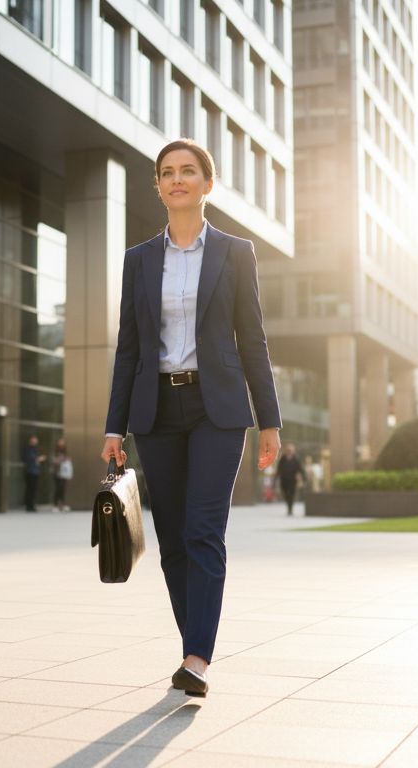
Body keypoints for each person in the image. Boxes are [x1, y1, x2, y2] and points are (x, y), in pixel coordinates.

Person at [101, 138, 282, 698]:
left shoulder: (235, 252)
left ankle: (197, 657)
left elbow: (252, 339)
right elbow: (129, 348)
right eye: (166, 173)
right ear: (158, 187)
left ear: (208, 183)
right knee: (172, 538)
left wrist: (270, 419)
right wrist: (114, 424)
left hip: (217, 408)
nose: (176, 179)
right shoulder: (138, 259)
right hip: (156, 408)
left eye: (187, 171)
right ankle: (193, 644)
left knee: (205, 530)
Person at [276, 442, 305, 516]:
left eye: (291, 450)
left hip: (292, 479)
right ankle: (288, 504)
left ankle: (290, 509)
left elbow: (300, 469)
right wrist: (276, 477)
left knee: (292, 494)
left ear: (293, 451)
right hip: (284, 479)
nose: (289, 451)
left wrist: (301, 476)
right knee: (285, 493)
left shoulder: (296, 459)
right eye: (288, 450)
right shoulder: (283, 458)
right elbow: (279, 468)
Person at [21, 434, 43, 512]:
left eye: (36, 440)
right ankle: (28, 505)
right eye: (34, 440)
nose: (35, 441)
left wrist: (39, 459)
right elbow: (28, 458)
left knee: (33, 489)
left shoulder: (36, 449)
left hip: (35, 471)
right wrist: (37, 459)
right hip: (30, 471)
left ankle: (32, 505)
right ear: (31, 441)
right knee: (29, 489)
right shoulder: (28, 449)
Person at [51, 438, 73, 512]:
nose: (61, 444)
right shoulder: (55, 452)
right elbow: (54, 461)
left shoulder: (65, 452)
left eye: (63, 443)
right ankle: (55, 505)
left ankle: (62, 504)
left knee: (63, 489)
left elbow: (67, 459)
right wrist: (60, 460)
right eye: (60, 442)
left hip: (64, 473)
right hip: (57, 472)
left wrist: (66, 459)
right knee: (58, 489)